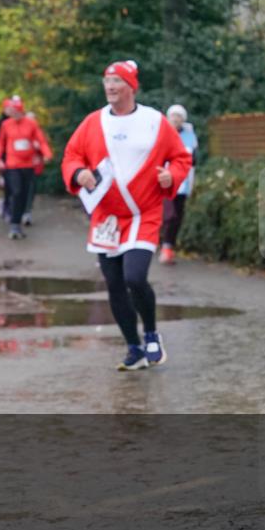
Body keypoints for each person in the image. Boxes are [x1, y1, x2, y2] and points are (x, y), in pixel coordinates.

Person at [61, 60, 192, 371]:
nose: (110, 86)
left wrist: (170, 176)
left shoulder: (154, 121)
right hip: (106, 217)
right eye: (107, 80)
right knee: (114, 283)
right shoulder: (93, 122)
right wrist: (79, 173)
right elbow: (71, 156)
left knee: (135, 277)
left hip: (143, 212)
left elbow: (180, 157)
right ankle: (133, 347)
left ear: (132, 86)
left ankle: (150, 334)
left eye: (117, 80)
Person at [0, 96, 53, 239]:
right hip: (12, 165)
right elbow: (1, 143)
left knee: (25, 195)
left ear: (21, 111)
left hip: (28, 165)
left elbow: (41, 140)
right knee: (17, 192)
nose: (14, 114)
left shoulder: (31, 124)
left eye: (16, 112)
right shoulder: (6, 124)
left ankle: (18, 223)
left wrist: (47, 154)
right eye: (12, 112)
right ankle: (14, 224)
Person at [159, 104, 198, 265]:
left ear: (183, 119)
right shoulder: (162, 134)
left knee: (178, 216)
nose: (175, 119)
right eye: (173, 116)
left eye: (179, 116)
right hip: (164, 182)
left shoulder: (190, 136)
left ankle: (168, 245)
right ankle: (164, 246)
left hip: (183, 183)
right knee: (170, 214)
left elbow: (194, 160)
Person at [22, 110, 47, 226]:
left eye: (33, 119)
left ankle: (27, 212)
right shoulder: (20, 132)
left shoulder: (39, 133)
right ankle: (17, 211)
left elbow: (45, 148)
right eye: (28, 119)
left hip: (34, 168)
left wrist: (42, 151)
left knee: (31, 190)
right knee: (20, 190)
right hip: (20, 167)